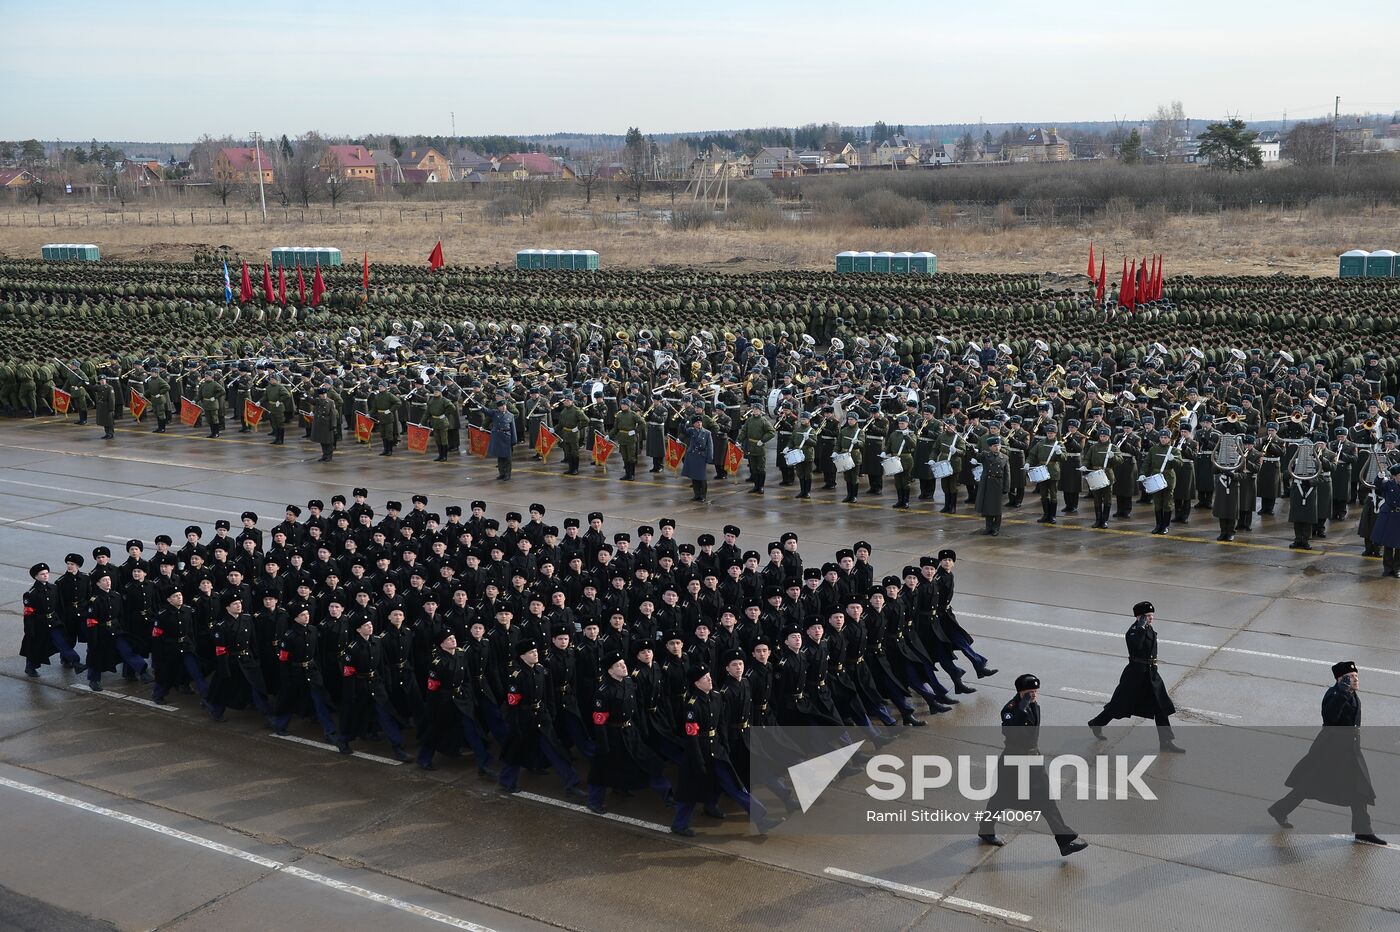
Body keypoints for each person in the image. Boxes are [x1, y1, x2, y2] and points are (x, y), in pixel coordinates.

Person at [1268, 661, 1386, 846]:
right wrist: (1340, 693)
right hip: (1331, 750)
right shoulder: (1334, 694)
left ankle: (1363, 831)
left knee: (1359, 789)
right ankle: (1280, 809)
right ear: (1340, 679)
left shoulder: (1353, 694)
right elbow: (1330, 718)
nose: (1355, 679)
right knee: (1309, 784)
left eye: (1356, 676)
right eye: (1350, 677)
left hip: (1350, 751)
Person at [977, 673, 1089, 857]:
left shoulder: (1034, 706)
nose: (1034, 695)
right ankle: (986, 829)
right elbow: (1009, 732)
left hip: (1032, 760)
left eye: (1035, 691)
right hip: (1015, 762)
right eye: (1030, 692)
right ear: (1020, 693)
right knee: (1003, 798)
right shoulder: (1011, 709)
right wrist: (1021, 710)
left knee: (1044, 801)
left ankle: (1064, 841)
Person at [1087, 600, 1186, 753]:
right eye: (1147, 616)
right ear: (1139, 617)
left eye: (1152, 615)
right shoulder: (1133, 631)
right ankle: (1096, 723)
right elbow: (1137, 646)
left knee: (1161, 708)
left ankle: (1166, 742)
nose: (1151, 618)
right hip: (1135, 676)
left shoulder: (1148, 628)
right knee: (1119, 706)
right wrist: (1140, 628)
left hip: (1151, 675)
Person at [586, 651, 673, 814]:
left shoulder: (628, 682)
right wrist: (603, 745)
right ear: (610, 671)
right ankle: (594, 801)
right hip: (613, 735)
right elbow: (599, 723)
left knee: (648, 762)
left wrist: (640, 729)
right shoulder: (603, 692)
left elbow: (635, 708)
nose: (623, 667)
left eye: (623, 663)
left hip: (630, 731)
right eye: (618, 665)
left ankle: (667, 794)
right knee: (601, 769)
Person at [498, 639, 584, 797]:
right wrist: (514, 725)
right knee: (515, 750)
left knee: (554, 748)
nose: (535, 654)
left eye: (536, 651)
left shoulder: (541, 670)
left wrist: (550, 713)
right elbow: (512, 704)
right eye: (531, 653)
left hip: (541, 716)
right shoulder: (516, 676)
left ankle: (571, 782)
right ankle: (507, 781)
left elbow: (548, 694)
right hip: (523, 718)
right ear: (522, 656)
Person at [1369, 463, 1400, 576]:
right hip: (1389, 516)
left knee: (1399, 546)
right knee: (1388, 544)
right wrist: (1379, 477)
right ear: (1395, 476)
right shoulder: (1389, 484)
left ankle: (1397, 569)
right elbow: (1378, 486)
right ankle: (1387, 568)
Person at [974, 435, 1007, 536]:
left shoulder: (1004, 457)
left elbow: (1007, 474)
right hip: (988, 483)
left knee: (997, 508)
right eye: (994, 446)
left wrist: (1006, 487)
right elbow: (977, 456)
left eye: (998, 445)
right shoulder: (985, 455)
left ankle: (996, 528)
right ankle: (988, 527)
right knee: (987, 507)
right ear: (990, 447)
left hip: (998, 484)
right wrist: (972, 450)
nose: (996, 447)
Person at [682, 414, 714, 503]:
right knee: (694, 477)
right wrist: (682, 423)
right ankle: (696, 495)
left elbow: (710, 446)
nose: (699, 424)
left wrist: (710, 457)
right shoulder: (691, 431)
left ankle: (703, 495)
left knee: (702, 477)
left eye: (700, 422)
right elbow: (684, 431)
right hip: (692, 455)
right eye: (697, 422)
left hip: (701, 456)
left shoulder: (707, 433)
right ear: (693, 424)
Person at [489, 398, 518, 480]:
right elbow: (487, 411)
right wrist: (481, 407)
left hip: (507, 437)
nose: (503, 407)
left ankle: (507, 474)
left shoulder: (510, 415)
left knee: (507, 458)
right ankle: (501, 473)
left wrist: (514, 440)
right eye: (501, 406)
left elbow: (513, 429)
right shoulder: (495, 413)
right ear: (498, 407)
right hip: (498, 437)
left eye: (504, 406)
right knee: (500, 457)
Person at [311, 387, 337, 463]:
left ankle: (329, 456)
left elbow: (333, 415)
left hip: (327, 424)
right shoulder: (318, 401)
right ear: (319, 395)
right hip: (320, 424)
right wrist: (306, 396)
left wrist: (333, 425)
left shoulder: (330, 402)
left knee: (328, 442)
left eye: (325, 394)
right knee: (322, 441)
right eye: (322, 394)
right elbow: (311, 401)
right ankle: (324, 455)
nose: (324, 395)